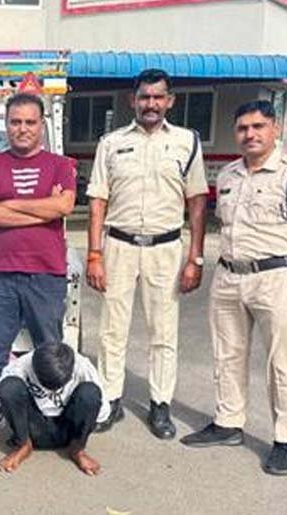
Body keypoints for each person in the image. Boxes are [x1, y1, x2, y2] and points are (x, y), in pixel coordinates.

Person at [179, 100, 287, 476]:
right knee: (227, 355)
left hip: (275, 278)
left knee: (281, 362)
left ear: (275, 129)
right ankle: (228, 422)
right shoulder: (228, 175)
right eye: (243, 128)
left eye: (258, 126)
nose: (250, 134)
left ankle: (286, 439)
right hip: (229, 276)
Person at [86, 69, 209, 438]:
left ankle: (160, 405)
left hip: (165, 248)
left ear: (170, 101)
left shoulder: (187, 142)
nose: (150, 104)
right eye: (144, 97)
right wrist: (94, 254)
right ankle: (110, 400)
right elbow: (97, 201)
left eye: (158, 97)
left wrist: (196, 258)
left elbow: (197, 202)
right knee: (112, 330)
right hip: (119, 246)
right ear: (132, 100)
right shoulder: (111, 143)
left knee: (163, 332)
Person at [0, 92, 77, 441]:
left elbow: (64, 207)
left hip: (46, 273)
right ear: (6, 124)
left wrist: (10, 204)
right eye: (15, 122)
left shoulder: (61, 165)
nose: (22, 128)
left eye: (30, 122)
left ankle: (53, 415)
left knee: (50, 349)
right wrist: (43, 208)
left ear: (41, 125)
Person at [0, 343, 110, 476]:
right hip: (31, 428)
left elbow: (102, 413)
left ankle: (77, 450)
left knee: (90, 393)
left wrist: (81, 415)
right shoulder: (21, 365)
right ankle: (23, 445)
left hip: (68, 429)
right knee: (9, 387)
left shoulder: (82, 366)